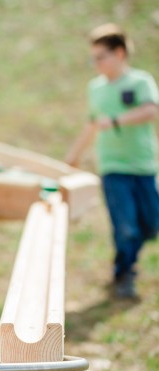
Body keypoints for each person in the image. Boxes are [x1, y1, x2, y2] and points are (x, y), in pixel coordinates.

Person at [66, 23, 159, 298]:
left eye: (100, 56)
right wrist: (75, 155)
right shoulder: (95, 88)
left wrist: (117, 120)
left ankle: (127, 257)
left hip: (143, 164)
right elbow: (92, 124)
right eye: (93, 57)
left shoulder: (139, 82)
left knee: (152, 223)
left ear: (119, 53)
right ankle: (124, 273)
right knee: (125, 225)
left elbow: (151, 110)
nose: (96, 63)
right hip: (112, 166)